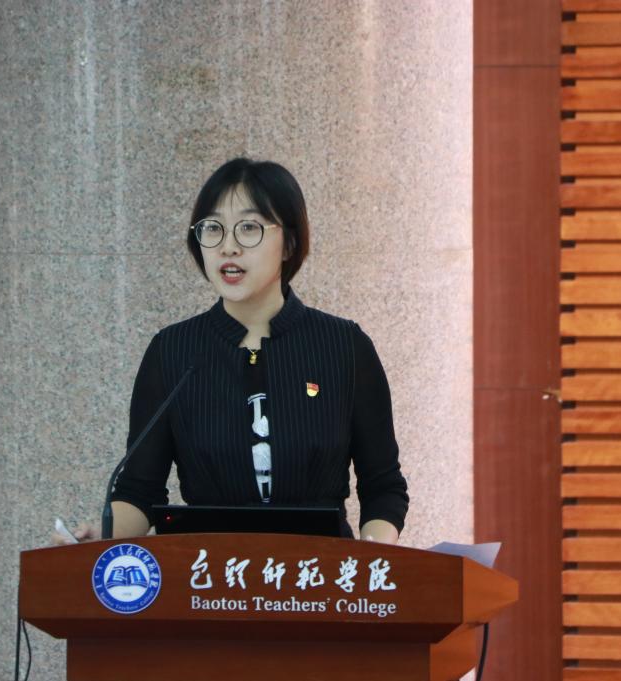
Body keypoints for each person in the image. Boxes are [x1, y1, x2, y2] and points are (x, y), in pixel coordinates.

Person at [57, 158, 408, 545]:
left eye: (249, 228)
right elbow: (139, 490)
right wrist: (99, 537)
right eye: (213, 228)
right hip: (208, 574)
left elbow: (383, 487)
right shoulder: (173, 351)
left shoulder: (343, 346)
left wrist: (374, 555)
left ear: (289, 243)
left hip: (317, 573)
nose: (228, 246)